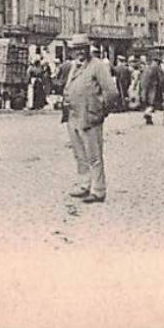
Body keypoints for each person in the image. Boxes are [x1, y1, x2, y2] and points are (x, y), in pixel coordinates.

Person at [64, 35, 114, 203]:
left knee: (94, 156)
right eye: (75, 49)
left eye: (82, 48)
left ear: (88, 49)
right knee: (79, 154)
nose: (79, 52)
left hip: (90, 116)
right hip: (73, 116)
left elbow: (111, 92)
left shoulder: (97, 66)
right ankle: (84, 184)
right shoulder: (74, 67)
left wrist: (100, 111)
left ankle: (98, 190)